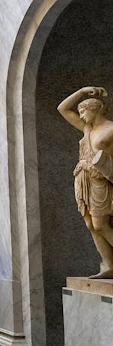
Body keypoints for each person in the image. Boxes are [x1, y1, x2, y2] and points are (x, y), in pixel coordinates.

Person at [58, 86, 113, 278]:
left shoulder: (111, 129)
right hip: (83, 179)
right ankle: (109, 264)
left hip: (101, 180)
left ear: (96, 109)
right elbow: (63, 109)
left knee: (100, 224)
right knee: (90, 224)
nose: (81, 116)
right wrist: (82, 91)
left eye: (84, 111)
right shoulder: (87, 129)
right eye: (79, 111)